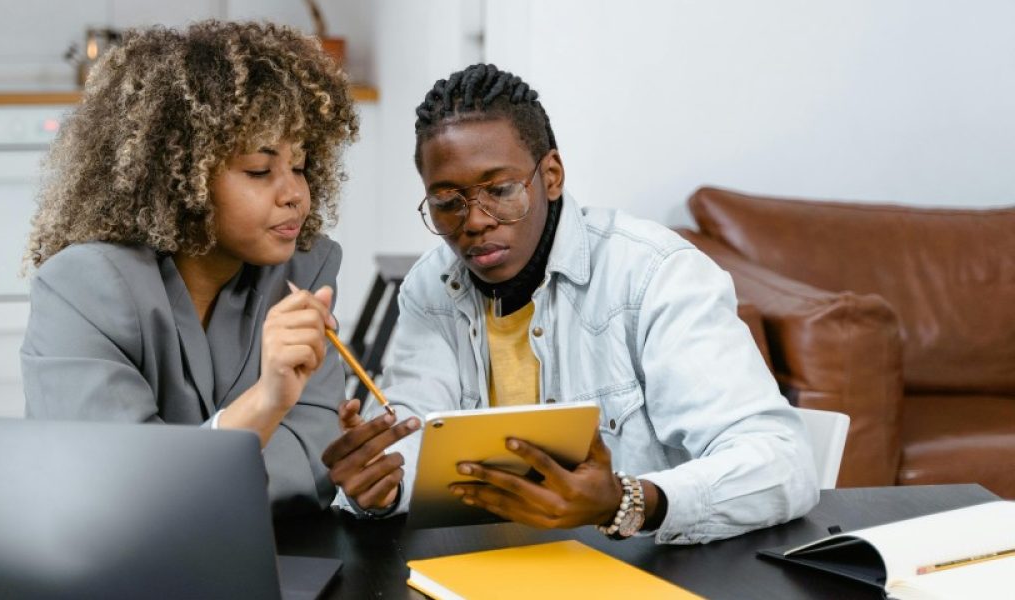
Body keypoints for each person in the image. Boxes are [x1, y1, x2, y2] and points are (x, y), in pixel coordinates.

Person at [323, 64, 818, 543]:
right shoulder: (430, 286)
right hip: (489, 572)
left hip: (643, 570)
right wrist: (383, 486)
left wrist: (628, 501)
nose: (474, 221)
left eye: (500, 190)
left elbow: (781, 461)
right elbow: (413, 437)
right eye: (448, 201)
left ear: (552, 175)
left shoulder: (654, 274)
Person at [21, 21, 358, 517]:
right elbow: (115, 495)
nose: (295, 194)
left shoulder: (303, 272)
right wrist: (266, 404)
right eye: (259, 171)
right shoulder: (82, 288)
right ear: (182, 178)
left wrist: (181, 479)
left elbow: (310, 468)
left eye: (301, 165)